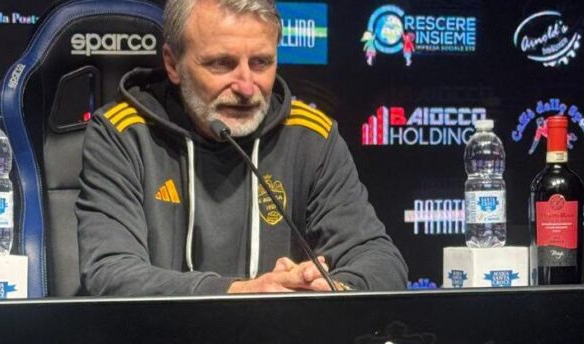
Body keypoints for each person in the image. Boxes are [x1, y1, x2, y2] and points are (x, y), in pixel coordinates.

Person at [75, 0, 408, 296]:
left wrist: (327, 290)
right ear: (173, 64)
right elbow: (110, 273)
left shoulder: (311, 137)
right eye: (222, 63)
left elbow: (381, 261)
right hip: (163, 343)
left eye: (261, 62)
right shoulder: (123, 134)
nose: (247, 87)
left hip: (284, 340)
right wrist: (242, 294)